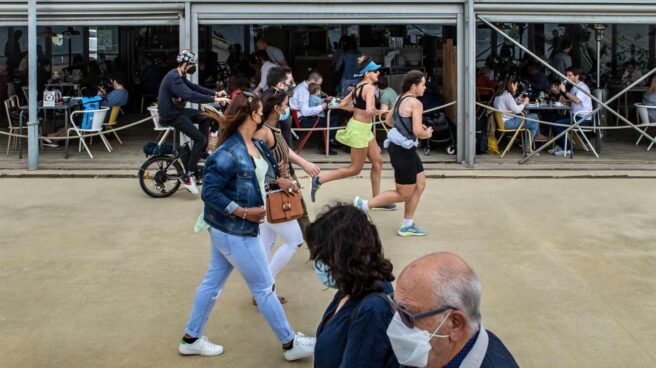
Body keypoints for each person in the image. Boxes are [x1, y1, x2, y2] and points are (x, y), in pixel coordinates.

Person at [180, 92, 315, 361]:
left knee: (212, 283)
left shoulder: (255, 144)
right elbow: (210, 193)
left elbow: (258, 176)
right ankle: (290, 344)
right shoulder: (229, 151)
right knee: (264, 288)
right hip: (236, 231)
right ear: (252, 115)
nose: (262, 112)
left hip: (227, 230)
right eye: (259, 109)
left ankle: (190, 338)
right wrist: (242, 211)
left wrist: (279, 182)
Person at [306, 204, 399, 368]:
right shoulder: (351, 287)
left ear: (344, 257)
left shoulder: (372, 310)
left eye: (322, 256)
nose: (318, 262)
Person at [388, 252, 519, 368]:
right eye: (395, 306)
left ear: (455, 324)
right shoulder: (432, 353)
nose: (396, 323)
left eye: (407, 315)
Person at [253, 91, 320, 301]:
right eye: (285, 104)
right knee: (295, 240)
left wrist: (305, 164)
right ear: (276, 108)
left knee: (267, 244)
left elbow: (285, 150)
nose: (288, 107)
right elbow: (253, 165)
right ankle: (266, 287)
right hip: (270, 194)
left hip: (272, 194)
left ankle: (261, 290)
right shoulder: (263, 133)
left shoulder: (274, 129)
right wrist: (277, 178)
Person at [353, 71, 432, 236]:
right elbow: (418, 131)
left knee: (420, 184)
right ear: (414, 86)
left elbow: (389, 121)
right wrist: (427, 133)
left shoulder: (400, 98)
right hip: (404, 150)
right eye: (423, 84)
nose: (425, 87)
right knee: (403, 193)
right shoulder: (416, 103)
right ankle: (364, 205)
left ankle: (407, 224)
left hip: (401, 147)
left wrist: (408, 127)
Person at [310, 56, 392, 209]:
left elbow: (342, 104)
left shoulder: (358, 85)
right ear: (367, 73)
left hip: (362, 128)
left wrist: (358, 109)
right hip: (360, 129)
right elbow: (370, 110)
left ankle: (376, 200)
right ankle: (318, 180)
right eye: (375, 71)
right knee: (354, 169)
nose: (378, 73)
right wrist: (384, 111)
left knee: (378, 162)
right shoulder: (370, 88)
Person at [158, 49, 230, 194]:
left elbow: (194, 87)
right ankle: (189, 174)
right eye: (191, 64)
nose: (193, 67)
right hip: (172, 116)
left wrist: (215, 93)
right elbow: (190, 95)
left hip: (177, 111)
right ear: (185, 63)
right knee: (199, 138)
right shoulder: (174, 78)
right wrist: (216, 100)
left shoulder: (180, 75)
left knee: (205, 116)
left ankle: (201, 151)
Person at [289, 70, 337, 154]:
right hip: (304, 120)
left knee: (328, 117)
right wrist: (321, 107)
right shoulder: (303, 91)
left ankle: (324, 144)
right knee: (332, 119)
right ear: (313, 81)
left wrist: (323, 100)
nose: (319, 87)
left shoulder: (302, 87)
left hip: (303, 118)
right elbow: (305, 111)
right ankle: (327, 144)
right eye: (318, 84)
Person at [549, 67, 594, 157]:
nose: (567, 77)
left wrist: (565, 91)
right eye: (566, 75)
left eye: (569, 75)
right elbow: (574, 103)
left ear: (577, 76)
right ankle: (560, 145)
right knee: (552, 118)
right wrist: (566, 102)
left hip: (583, 118)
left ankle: (568, 149)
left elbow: (577, 101)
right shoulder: (574, 87)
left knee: (558, 124)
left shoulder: (581, 87)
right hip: (574, 116)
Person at [493, 77, 546, 145]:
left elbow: (508, 104)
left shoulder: (500, 94)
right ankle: (537, 136)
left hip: (502, 122)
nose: (516, 87)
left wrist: (518, 101)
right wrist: (524, 102)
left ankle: (527, 147)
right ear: (512, 85)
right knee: (535, 116)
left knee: (534, 124)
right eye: (516, 85)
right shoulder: (507, 95)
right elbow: (517, 110)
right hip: (508, 123)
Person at [265, 66, 296, 146]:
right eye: (290, 82)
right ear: (281, 85)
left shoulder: (267, 95)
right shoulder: (275, 101)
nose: (293, 85)